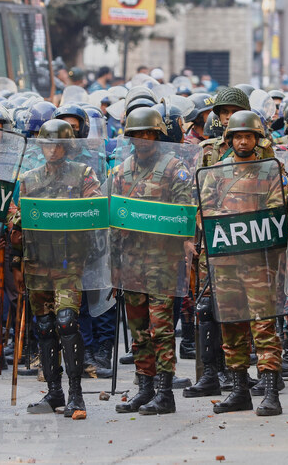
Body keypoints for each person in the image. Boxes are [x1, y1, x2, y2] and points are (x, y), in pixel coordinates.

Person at [9, 119, 105, 420]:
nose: (53, 149)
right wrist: (16, 261)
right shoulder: (29, 179)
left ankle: (76, 394)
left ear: (67, 146)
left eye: (58, 144)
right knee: (45, 326)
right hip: (37, 262)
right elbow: (16, 222)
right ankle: (54, 392)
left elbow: (96, 208)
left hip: (68, 262)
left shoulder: (83, 174)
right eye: (48, 144)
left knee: (66, 321)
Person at [197, 111, 285, 416]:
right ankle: (238, 390)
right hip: (225, 263)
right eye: (238, 136)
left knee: (263, 324)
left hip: (258, 262)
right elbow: (203, 210)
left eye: (249, 136)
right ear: (229, 139)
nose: (244, 141)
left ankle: (271, 391)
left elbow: (277, 211)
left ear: (257, 139)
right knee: (231, 324)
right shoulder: (216, 171)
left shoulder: (270, 171)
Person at [111, 108, 196, 415]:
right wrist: (114, 265)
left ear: (158, 135)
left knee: (160, 328)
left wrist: (187, 245)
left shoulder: (175, 168)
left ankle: (164, 391)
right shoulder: (121, 172)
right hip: (132, 262)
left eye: (149, 133)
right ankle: (144, 388)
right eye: (138, 134)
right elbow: (115, 221)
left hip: (163, 261)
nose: (144, 139)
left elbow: (187, 214)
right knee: (137, 328)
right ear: (130, 137)